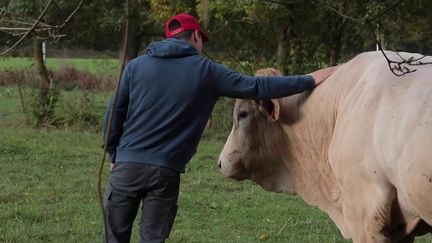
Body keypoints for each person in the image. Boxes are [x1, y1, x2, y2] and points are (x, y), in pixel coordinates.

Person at [102, 13, 337, 243]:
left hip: (126, 166)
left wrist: (114, 153)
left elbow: (114, 112)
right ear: (195, 36)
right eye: (202, 39)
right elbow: (256, 87)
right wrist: (309, 80)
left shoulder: (135, 66)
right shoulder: (206, 71)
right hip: (165, 172)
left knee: (114, 236)